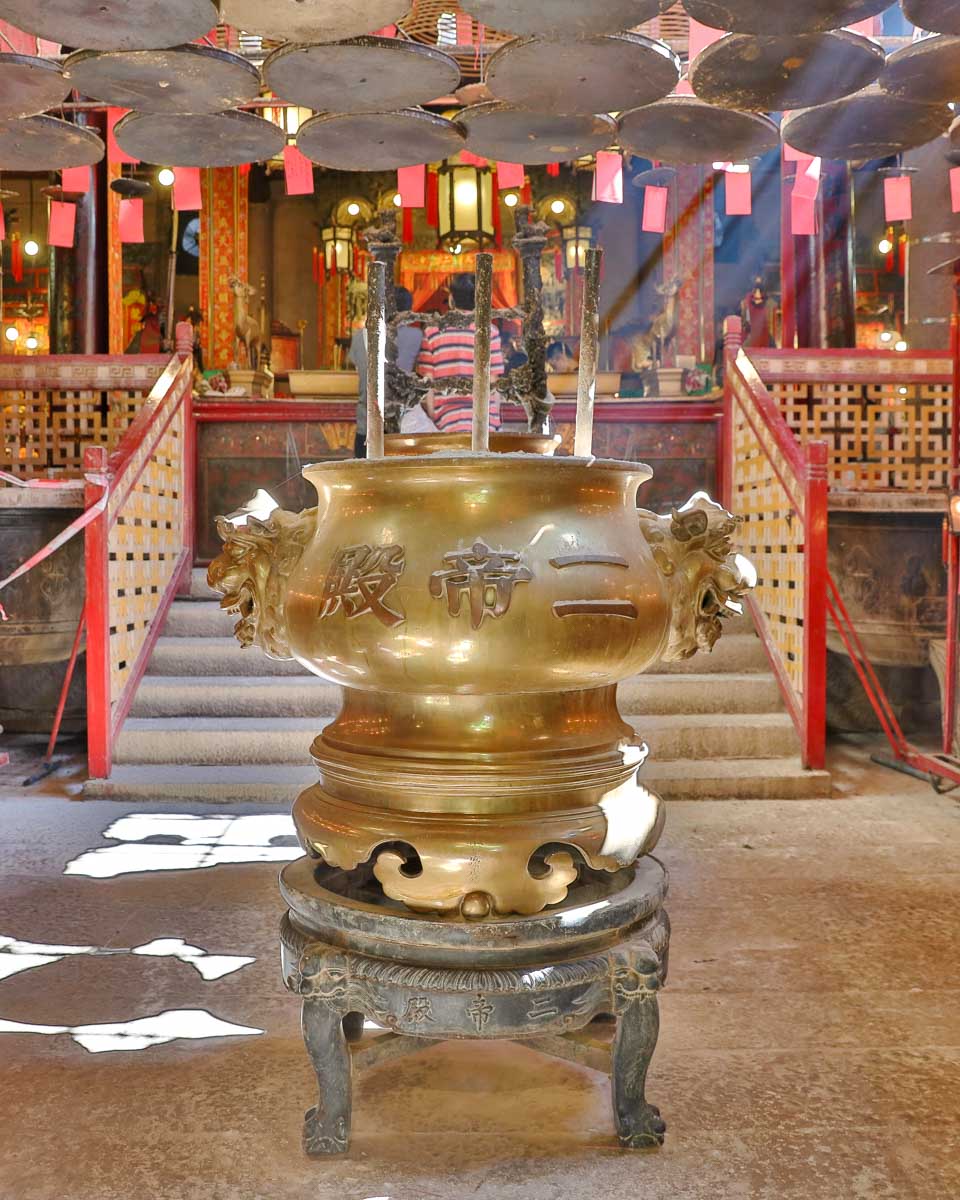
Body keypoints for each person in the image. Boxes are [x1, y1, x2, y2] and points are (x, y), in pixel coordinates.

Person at [415, 273, 504, 434]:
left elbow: (428, 381)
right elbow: (493, 381)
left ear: (451, 299)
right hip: (484, 422)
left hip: (445, 422)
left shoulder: (432, 332)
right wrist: (494, 417)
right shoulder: (490, 332)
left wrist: (434, 415)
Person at [349, 286, 423, 458]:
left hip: (367, 425)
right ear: (408, 312)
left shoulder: (359, 337)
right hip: (402, 427)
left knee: (364, 473)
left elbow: (359, 371)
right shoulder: (417, 336)